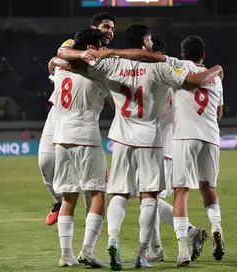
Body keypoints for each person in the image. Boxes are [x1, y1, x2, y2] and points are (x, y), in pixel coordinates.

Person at [51, 24, 223, 270]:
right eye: (150, 39)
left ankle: (112, 238)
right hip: (151, 140)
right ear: (145, 41)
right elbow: (194, 80)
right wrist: (218, 69)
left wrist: (65, 59)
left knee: (118, 194)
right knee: (149, 197)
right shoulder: (161, 67)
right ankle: (143, 255)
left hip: (120, 137)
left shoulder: (111, 65)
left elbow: (69, 63)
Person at [40, 12, 116, 226]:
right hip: (58, 113)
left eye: (112, 28)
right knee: (45, 162)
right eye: (106, 26)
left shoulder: (107, 55)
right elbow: (60, 52)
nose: (110, 31)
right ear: (94, 28)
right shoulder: (76, 43)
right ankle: (57, 201)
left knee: (88, 181)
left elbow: (56, 60)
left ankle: (88, 227)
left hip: (84, 114)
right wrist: (79, 56)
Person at [146, 36, 207, 263]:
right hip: (165, 144)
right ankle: (158, 247)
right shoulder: (174, 74)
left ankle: (186, 233)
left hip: (161, 145)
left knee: (149, 198)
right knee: (148, 197)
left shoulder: (157, 76)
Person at [51, 27, 110, 268]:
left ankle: (66, 255)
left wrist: (59, 58)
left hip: (61, 138)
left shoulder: (60, 68)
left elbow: (54, 61)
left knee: (69, 197)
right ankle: (88, 250)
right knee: (98, 193)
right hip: (86, 136)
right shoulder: (97, 72)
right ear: (90, 48)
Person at [171, 35, 225, 267]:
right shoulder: (217, 80)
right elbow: (219, 113)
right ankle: (216, 227)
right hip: (210, 137)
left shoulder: (179, 67)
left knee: (181, 191)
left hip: (185, 136)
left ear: (183, 54)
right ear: (203, 55)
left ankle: (183, 248)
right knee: (208, 188)